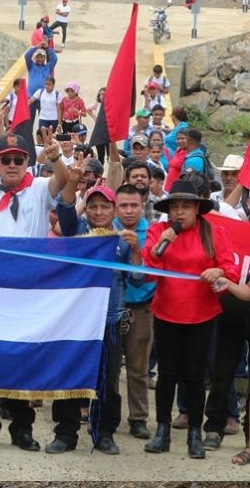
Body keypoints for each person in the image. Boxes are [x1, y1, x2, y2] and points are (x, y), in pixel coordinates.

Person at [0, 131, 67, 450]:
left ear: (27, 163)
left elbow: (62, 179)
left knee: (21, 359)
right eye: (5, 159)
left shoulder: (38, 189)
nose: (11, 165)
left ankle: (22, 428)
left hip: (25, 294)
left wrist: (57, 156)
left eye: (18, 159)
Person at [142, 179, 239, 459]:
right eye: (175, 207)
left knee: (196, 376)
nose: (180, 213)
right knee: (166, 375)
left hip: (202, 315)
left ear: (198, 208)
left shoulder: (213, 231)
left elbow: (230, 268)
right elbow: (149, 273)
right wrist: (161, 243)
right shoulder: (158, 231)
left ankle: (195, 434)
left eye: (186, 206)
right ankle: (162, 432)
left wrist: (218, 273)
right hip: (167, 312)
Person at [56, 174, 144, 455]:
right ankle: (66, 434)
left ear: (114, 210)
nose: (97, 212)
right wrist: (70, 177)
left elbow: (138, 279)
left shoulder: (121, 240)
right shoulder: (76, 233)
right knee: (70, 378)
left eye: (104, 207)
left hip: (110, 322)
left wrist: (135, 249)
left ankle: (104, 433)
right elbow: (66, 209)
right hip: (76, 323)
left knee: (107, 381)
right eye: (92, 206)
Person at [114, 184, 156, 441]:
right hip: (110, 308)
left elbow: (142, 278)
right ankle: (106, 415)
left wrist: (135, 249)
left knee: (138, 368)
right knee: (106, 366)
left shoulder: (152, 233)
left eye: (134, 205)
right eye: (123, 206)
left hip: (140, 308)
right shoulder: (106, 229)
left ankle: (138, 418)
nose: (129, 211)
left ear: (143, 206)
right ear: (116, 207)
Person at [209, 276, 250, 465]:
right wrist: (230, 285)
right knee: (223, 372)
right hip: (235, 312)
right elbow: (248, 292)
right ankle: (248, 446)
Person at [24, 43, 58, 123]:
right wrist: (36, 47)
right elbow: (26, 55)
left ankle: (41, 135)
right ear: (35, 58)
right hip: (31, 97)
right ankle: (29, 135)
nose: (40, 59)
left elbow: (54, 58)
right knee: (29, 121)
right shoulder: (31, 66)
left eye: (42, 57)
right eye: (38, 57)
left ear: (44, 58)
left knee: (43, 121)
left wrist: (47, 48)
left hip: (43, 98)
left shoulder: (48, 67)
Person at [212, 154, 247, 221]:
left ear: (242, 176)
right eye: (226, 173)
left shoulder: (247, 203)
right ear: (221, 175)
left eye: (234, 174)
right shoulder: (212, 197)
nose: (229, 178)